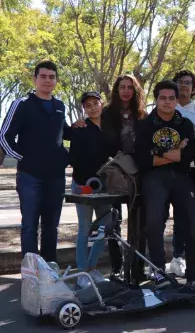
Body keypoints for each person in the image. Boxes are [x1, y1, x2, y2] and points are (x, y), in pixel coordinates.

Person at [74, 74, 147, 278]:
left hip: (137, 173)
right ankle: (117, 267)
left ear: (135, 91)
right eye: (122, 87)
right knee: (113, 223)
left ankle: (138, 268)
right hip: (112, 173)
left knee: (138, 224)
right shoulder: (107, 114)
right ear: (116, 90)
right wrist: (77, 124)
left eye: (129, 87)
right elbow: (91, 126)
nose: (125, 91)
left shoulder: (142, 115)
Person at [134, 80, 195, 290]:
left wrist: (157, 152)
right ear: (156, 100)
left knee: (191, 225)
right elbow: (143, 159)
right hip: (154, 178)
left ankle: (193, 275)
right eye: (162, 98)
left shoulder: (185, 125)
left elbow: (188, 156)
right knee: (153, 223)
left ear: (176, 100)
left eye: (171, 98)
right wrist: (174, 153)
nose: (167, 102)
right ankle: (158, 271)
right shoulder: (145, 125)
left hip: (182, 177)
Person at [0, 60, 71, 262]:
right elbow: (4, 137)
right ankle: (31, 272)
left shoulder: (59, 106)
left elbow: (62, 132)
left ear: (56, 80)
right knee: (30, 225)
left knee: (51, 226)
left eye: (52, 77)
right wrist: (25, 157)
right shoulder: (21, 105)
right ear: (35, 79)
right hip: (29, 176)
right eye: (43, 76)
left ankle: (49, 271)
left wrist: (81, 128)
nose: (47, 80)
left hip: (55, 177)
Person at [69, 91, 118, 288]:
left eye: (95, 103)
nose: (92, 107)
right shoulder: (80, 129)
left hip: (105, 185)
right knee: (84, 229)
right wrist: (84, 184)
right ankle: (82, 273)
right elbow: (74, 159)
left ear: (101, 103)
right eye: (88, 105)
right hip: (83, 185)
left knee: (104, 229)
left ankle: (91, 268)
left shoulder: (110, 128)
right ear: (84, 108)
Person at [168, 70, 195, 277]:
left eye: (188, 83)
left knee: (186, 217)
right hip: (167, 169)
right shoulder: (165, 109)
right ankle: (161, 262)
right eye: (180, 82)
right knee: (163, 216)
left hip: (191, 172)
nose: (183, 86)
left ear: (193, 88)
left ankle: (180, 258)